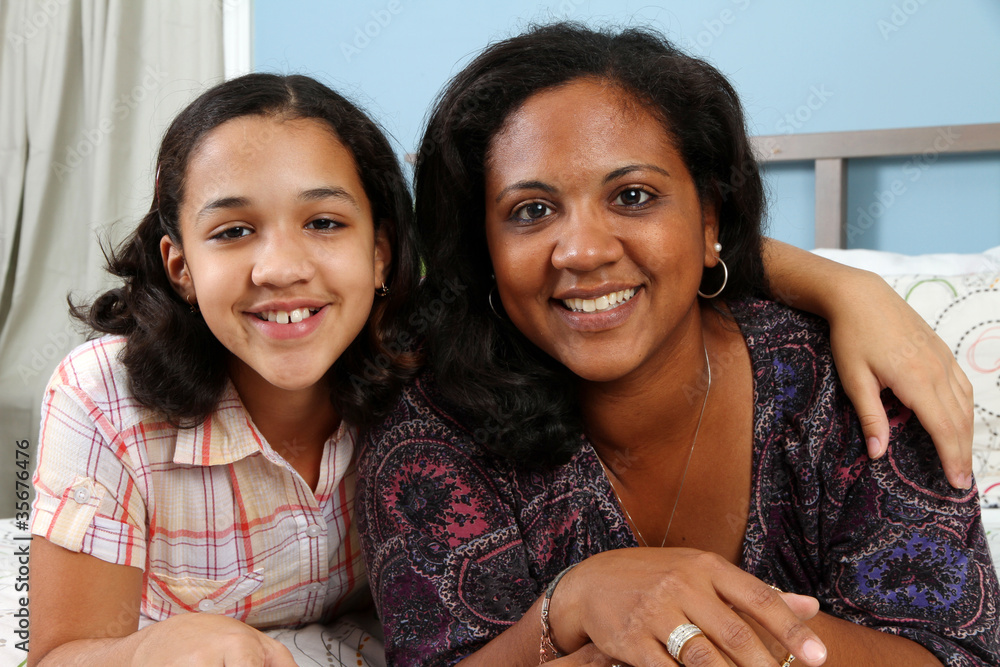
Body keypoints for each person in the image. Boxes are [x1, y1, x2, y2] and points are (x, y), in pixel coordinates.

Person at [357, 23, 999, 666]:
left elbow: (954, 651)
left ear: (709, 218)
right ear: (486, 250)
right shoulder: (432, 424)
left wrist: (714, 627)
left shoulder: (849, 382)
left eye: (632, 197)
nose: (582, 250)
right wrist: (573, 603)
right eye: (531, 211)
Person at [28, 73, 420, 665]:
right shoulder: (101, 398)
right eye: (233, 231)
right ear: (181, 267)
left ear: (379, 253)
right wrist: (150, 652)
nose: (281, 269)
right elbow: (59, 655)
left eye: (324, 222)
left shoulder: (434, 379)